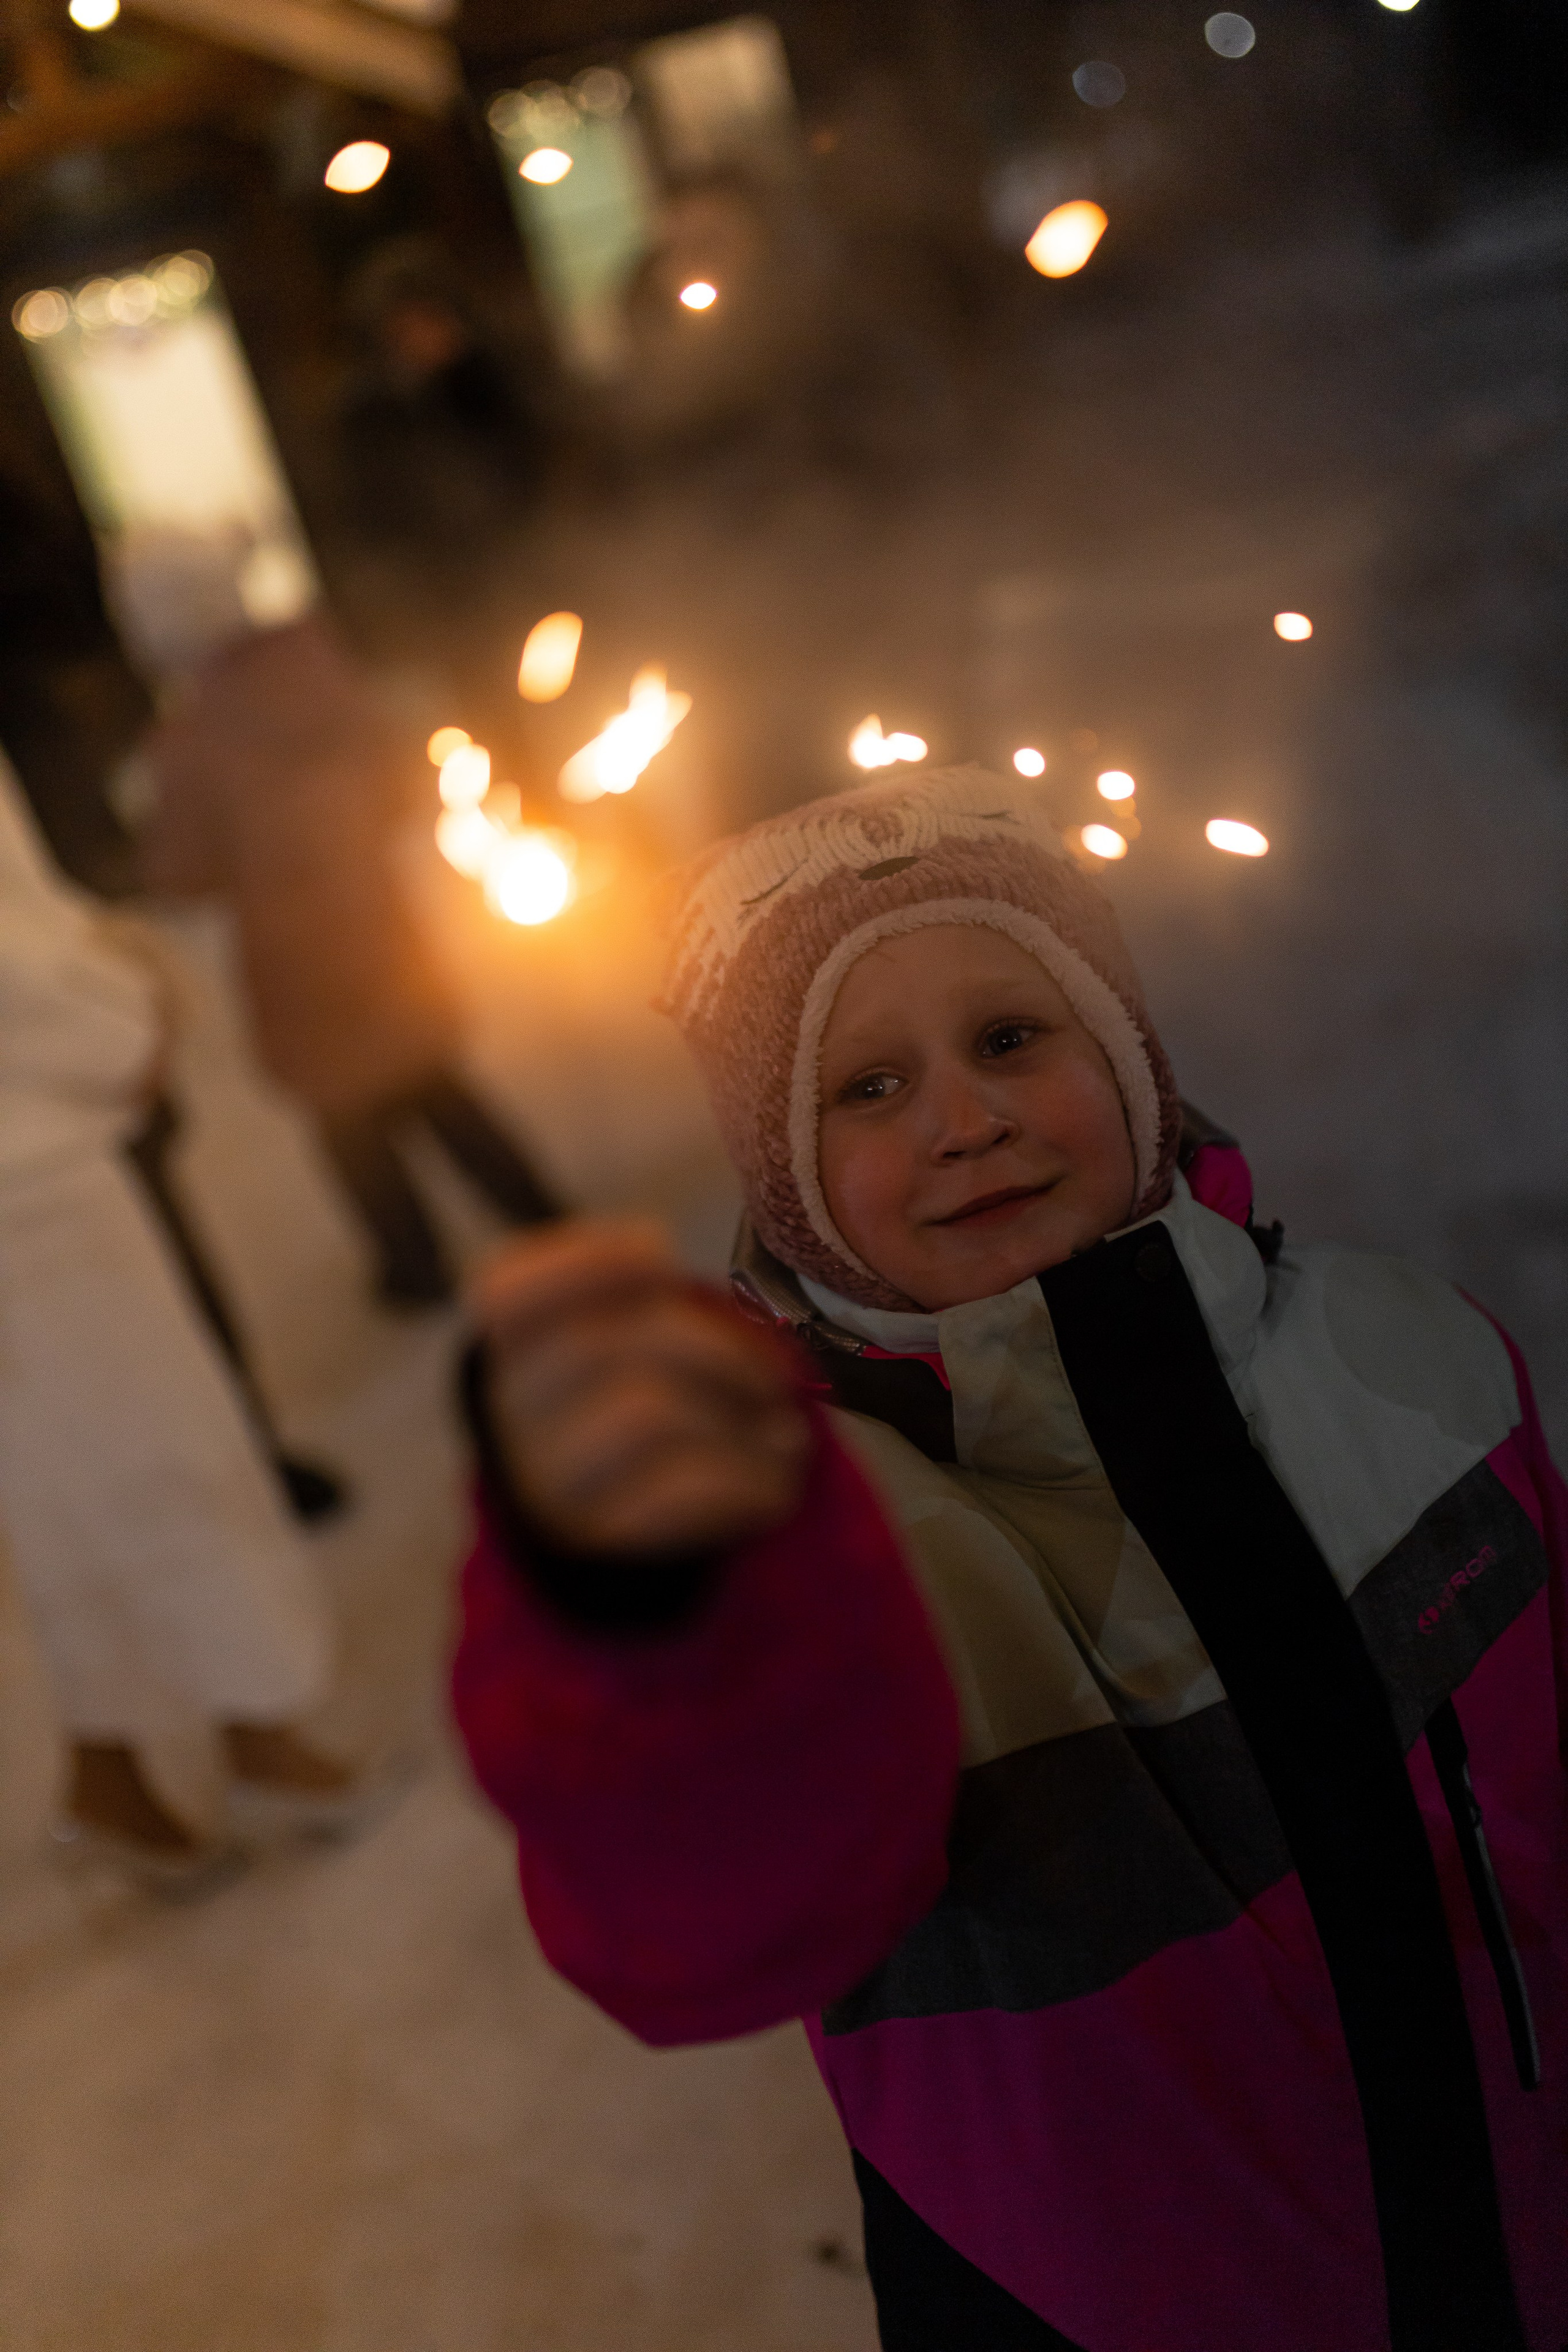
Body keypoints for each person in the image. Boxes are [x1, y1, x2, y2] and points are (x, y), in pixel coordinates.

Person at [451, 768, 1567, 2352]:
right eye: (867, 1087)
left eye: (1008, 1038)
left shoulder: (1417, 1348)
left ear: (1124, 1052)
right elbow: (706, 1918)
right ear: (781, 1168)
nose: (964, 1122)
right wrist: (647, 1615)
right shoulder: (820, 1543)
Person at [0, 756, 356, 1888]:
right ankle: (257, 1736)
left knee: (65, 1491)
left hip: (27, 1167)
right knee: (160, 1456)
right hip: (33, 1179)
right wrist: (130, 1015)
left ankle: (119, 1773)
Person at [139, 614, 560, 1306]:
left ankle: (416, 1267)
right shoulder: (325, 683)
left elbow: (182, 870)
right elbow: (400, 788)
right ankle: (539, 1215)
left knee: (348, 1117)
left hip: (293, 958)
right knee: (432, 1082)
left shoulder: (193, 740)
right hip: (378, 924)